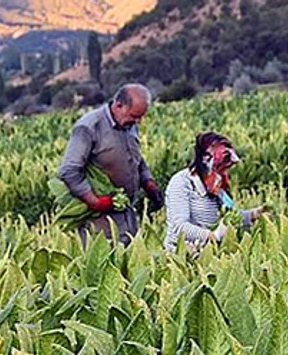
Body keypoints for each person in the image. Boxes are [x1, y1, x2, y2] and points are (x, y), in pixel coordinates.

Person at [57, 83, 163, 245]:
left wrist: (148, 182)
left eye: (140, 117)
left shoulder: (130, 125)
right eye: (134, 116)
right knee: (105, 257)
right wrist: (94, 201)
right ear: (119, 105)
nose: (138, 122)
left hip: (127, 215)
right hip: (100, 222)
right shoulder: (89, 127)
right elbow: (69, 170)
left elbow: (136, 159)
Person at [164, 131, 266, 252]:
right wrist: (212, 236)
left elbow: (229, 218)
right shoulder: (181, 182)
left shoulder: (216, 185)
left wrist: (253, 214)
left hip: (210, 253)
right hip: (182, 253)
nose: (223, 173)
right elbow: (179, 226)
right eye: (220, 168)